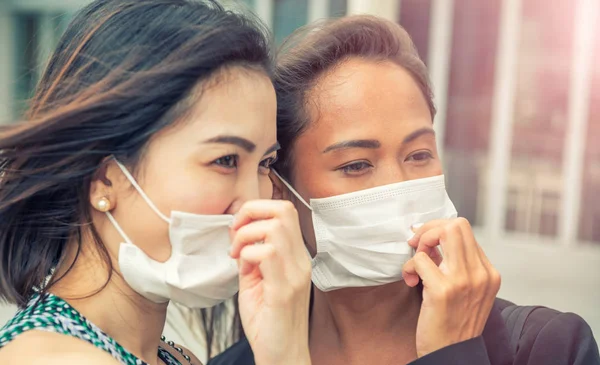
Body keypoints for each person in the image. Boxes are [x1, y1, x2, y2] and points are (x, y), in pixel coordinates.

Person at [209, 15, 600, 365]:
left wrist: (455, 354)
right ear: (281, 192)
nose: (399, 184)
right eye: (356, 164)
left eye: (418, 154)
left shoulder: (547, 348)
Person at [0, 1, 313, 364]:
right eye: (225, 160)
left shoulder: (176, 357)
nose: (255, 201)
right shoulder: (55, 357)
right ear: (105, 180)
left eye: (265, 163)